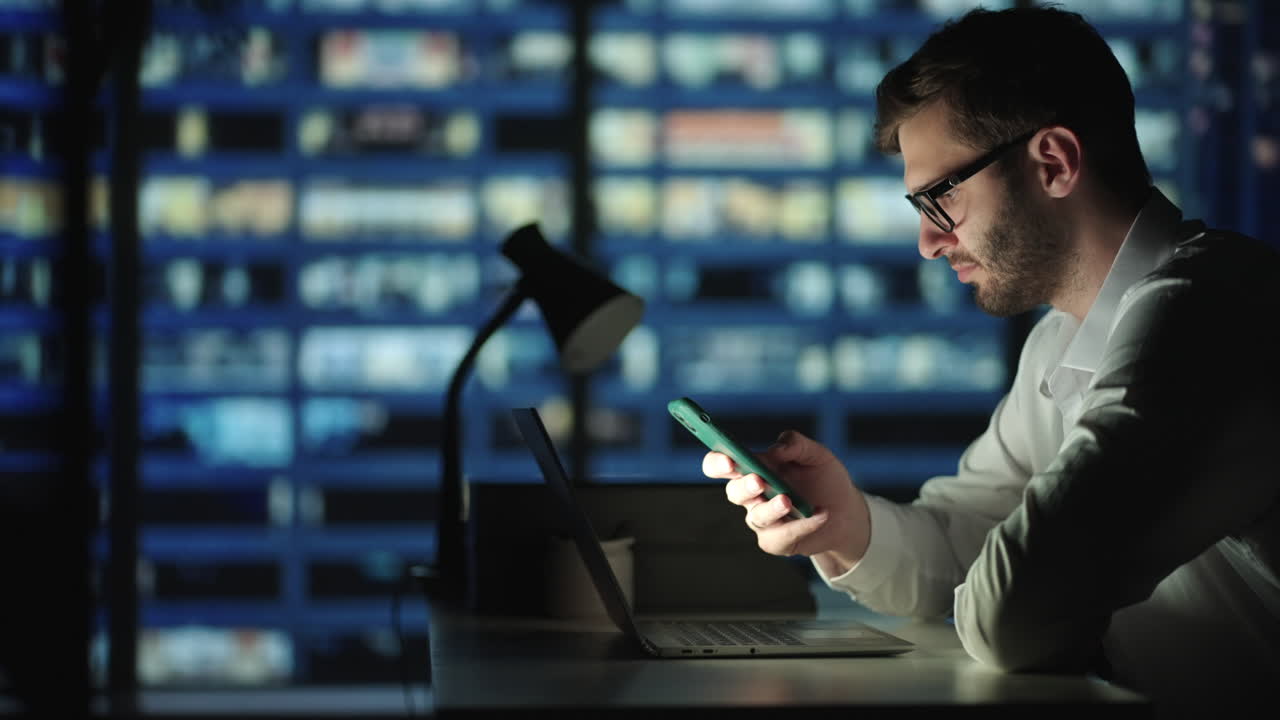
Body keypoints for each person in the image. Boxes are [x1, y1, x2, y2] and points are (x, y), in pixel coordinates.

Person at [702, 6, 1280, 717]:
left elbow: (1016, 613)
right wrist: (847, 525)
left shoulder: (1211, 314)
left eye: (941, 197)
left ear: (1054, 163)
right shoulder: (1063, 338)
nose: (927, 241)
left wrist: (995, 574)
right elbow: (964, 540)